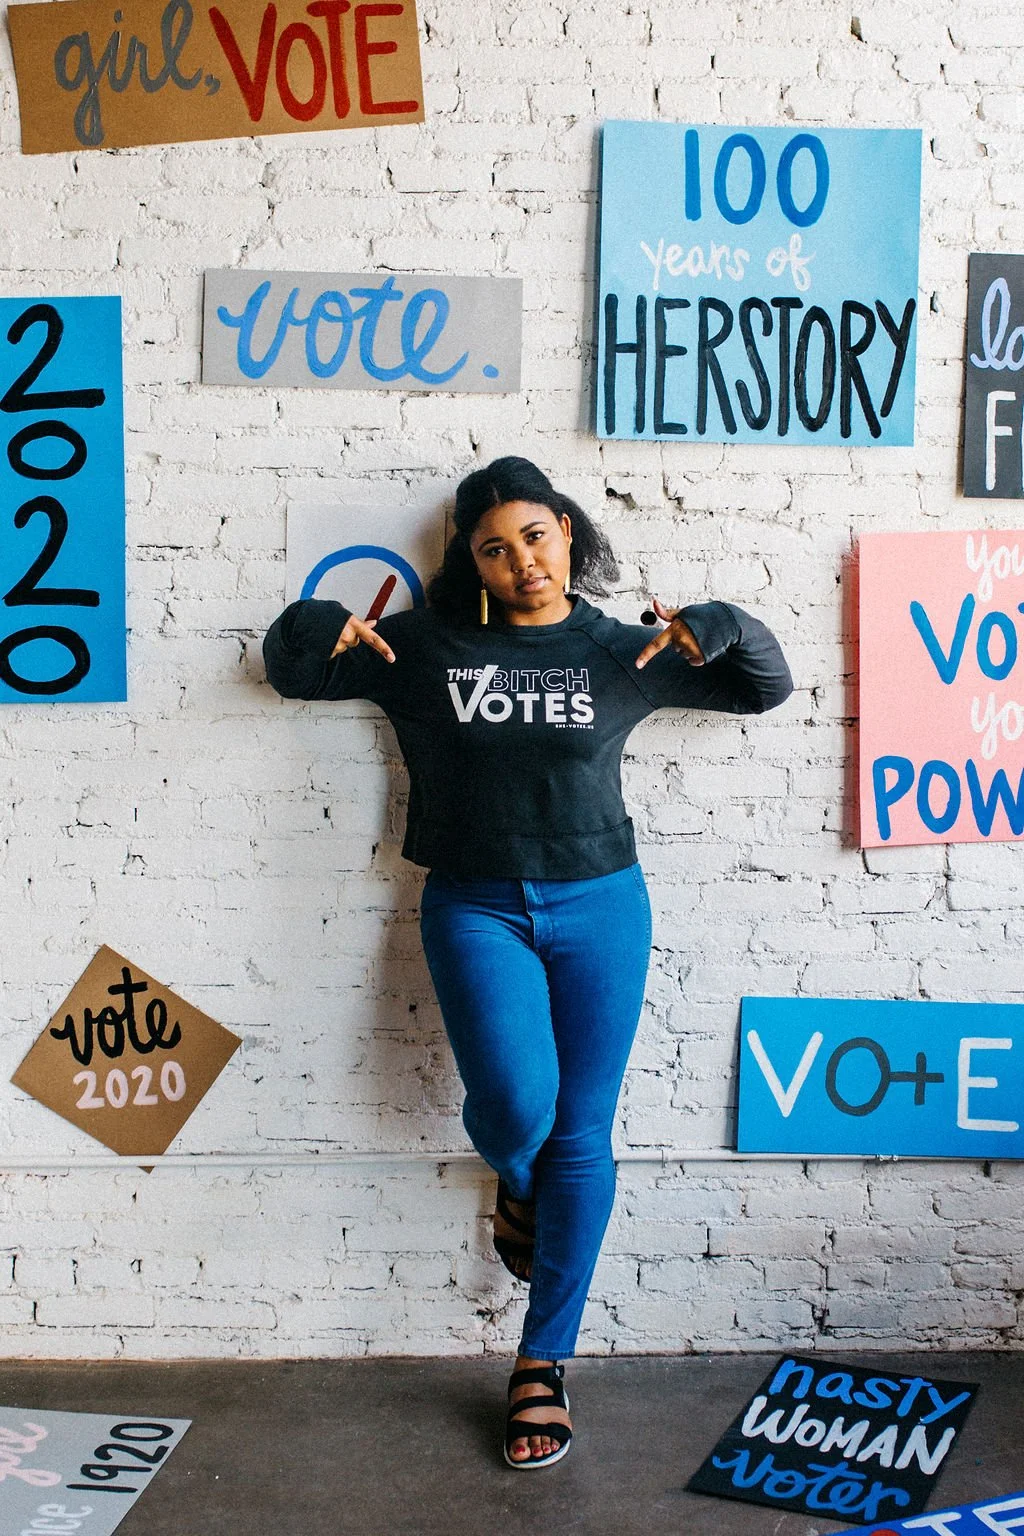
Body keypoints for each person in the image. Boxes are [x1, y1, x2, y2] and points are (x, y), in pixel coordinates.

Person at [263, 456, 793, 1470]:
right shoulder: (420, 645)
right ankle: (514, 1182)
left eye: (536, 537)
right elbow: (292, 670)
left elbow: (764, 687)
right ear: (471, 559)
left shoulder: (620, 650)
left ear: (567, 532)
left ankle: (541, 1363)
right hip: (473, 904)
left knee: (583, 1134)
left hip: (603, 905)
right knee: (519, 1110)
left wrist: (723, 618)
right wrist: (314, 619)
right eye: (496, 548)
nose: (522, 562)